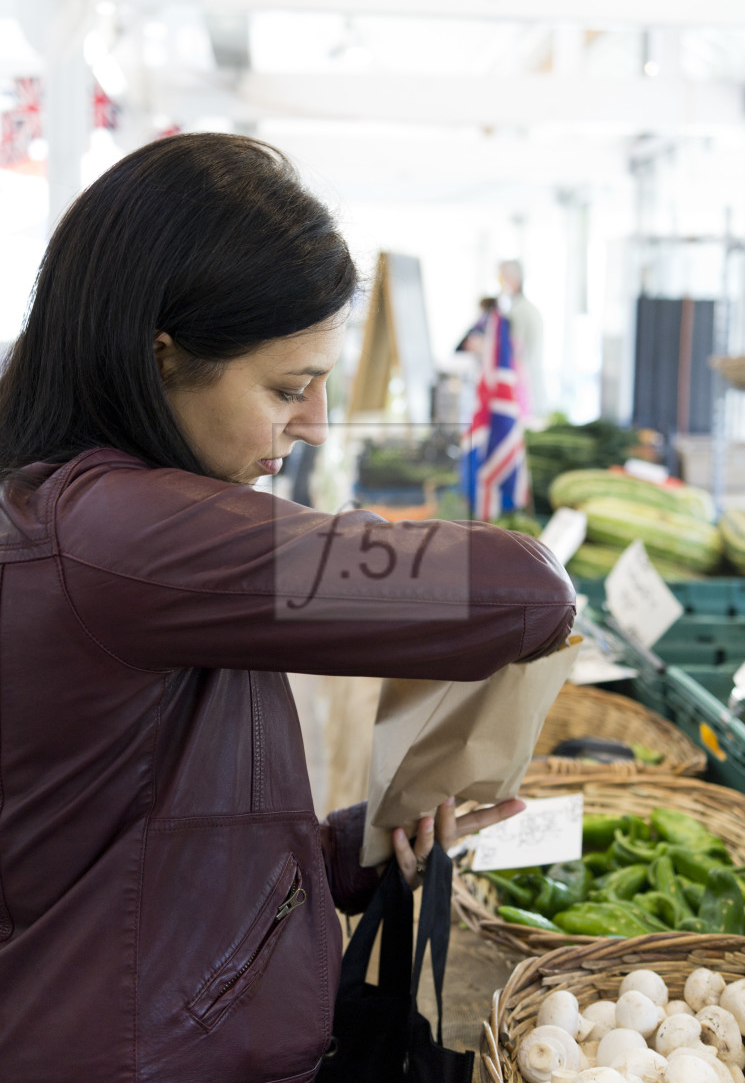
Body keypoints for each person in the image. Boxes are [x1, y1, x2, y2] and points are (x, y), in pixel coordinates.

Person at [0, 133, 575, 1083]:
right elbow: (521, 594)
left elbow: (119, 844)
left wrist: (344, 849)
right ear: (161, 353)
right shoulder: (121, 534)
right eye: (287, 388)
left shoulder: (75, 512)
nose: (309, 425)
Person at [498, 259, 548, 421]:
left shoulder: (518, 312)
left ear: (512, 280)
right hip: (532, 393)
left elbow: (514, 352)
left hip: (525, 397)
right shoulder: (527, 308)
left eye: (502, 278)